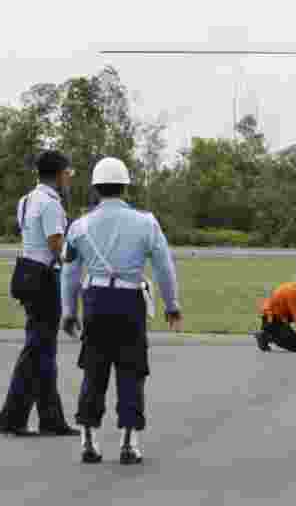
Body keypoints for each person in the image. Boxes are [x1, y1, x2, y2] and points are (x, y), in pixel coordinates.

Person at [59, 157, 181, 465]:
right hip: (130, 301)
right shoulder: (146, 222)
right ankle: (129, 440)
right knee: (132, 370)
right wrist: (171, 305)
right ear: (126, 187)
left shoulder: (79, 226)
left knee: (94, 369)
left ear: (96, 188)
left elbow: (70, 272)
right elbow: (164, 267)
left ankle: (88, 436)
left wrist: (68, 310)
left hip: (96, 299)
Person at [0, 150, 80, 437]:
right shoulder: (51, 205)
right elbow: (57, 245)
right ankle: (11, 418)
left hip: (25, 273)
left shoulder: (27, 200)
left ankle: (51, 418)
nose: (69, 177)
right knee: (37, 350)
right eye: (68, 172)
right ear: (58, 175)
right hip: (44, 279)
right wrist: (79, 257)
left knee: (43, 349)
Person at [255, 280, 296, 353]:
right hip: (272, 318)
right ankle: (266, 335)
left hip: (281, 316)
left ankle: (267, 333)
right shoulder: (293, 293)